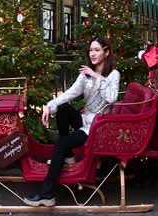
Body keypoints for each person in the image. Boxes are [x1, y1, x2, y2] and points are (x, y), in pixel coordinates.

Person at [24, 36, 120, 207]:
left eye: (97, 50)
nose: (93, 53)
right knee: (63, 108)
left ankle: (47, 193)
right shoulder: (85, 74)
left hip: (98, 127)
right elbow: (69, 93)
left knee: (61, 144)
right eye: (91, 50)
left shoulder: (113, 75)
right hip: (85, 119)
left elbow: (111, 98)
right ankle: (68, 156)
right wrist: (49, 105)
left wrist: (96, 77)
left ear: (106, 52)